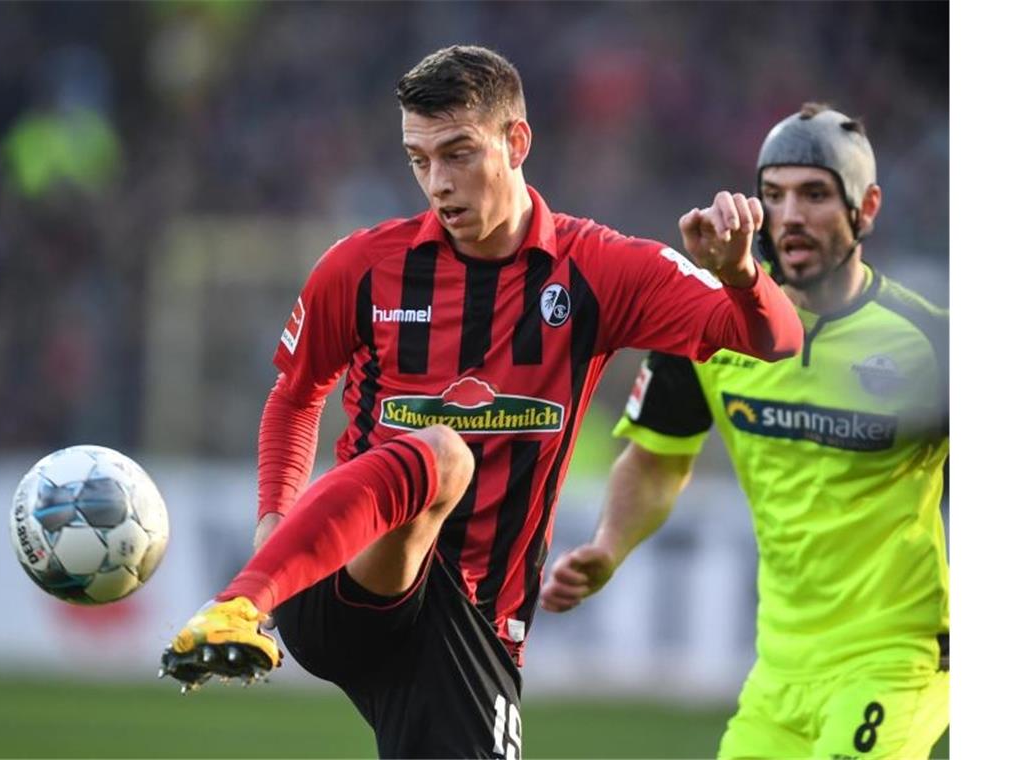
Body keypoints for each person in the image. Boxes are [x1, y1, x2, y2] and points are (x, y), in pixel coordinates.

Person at [159, 45, 802, 758]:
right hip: (349, 581)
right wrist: (275, 521)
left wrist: (741, 275)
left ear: (516, 141)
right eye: (418, 159)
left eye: (458, 153)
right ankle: (238, 603)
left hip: (476, 623)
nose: (437, 182)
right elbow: (295, 394)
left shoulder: (600, 270)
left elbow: (772, 337)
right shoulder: (362, 267)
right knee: (440, 453)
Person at [540, 102, 949, 759]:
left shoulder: (931, 342)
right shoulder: (712, 328)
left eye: (814, 194)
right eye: (774, 195)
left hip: (894, 659)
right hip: (779, 672)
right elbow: (655, 461)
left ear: (866, 207)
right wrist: (610, 547)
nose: (790, 216)